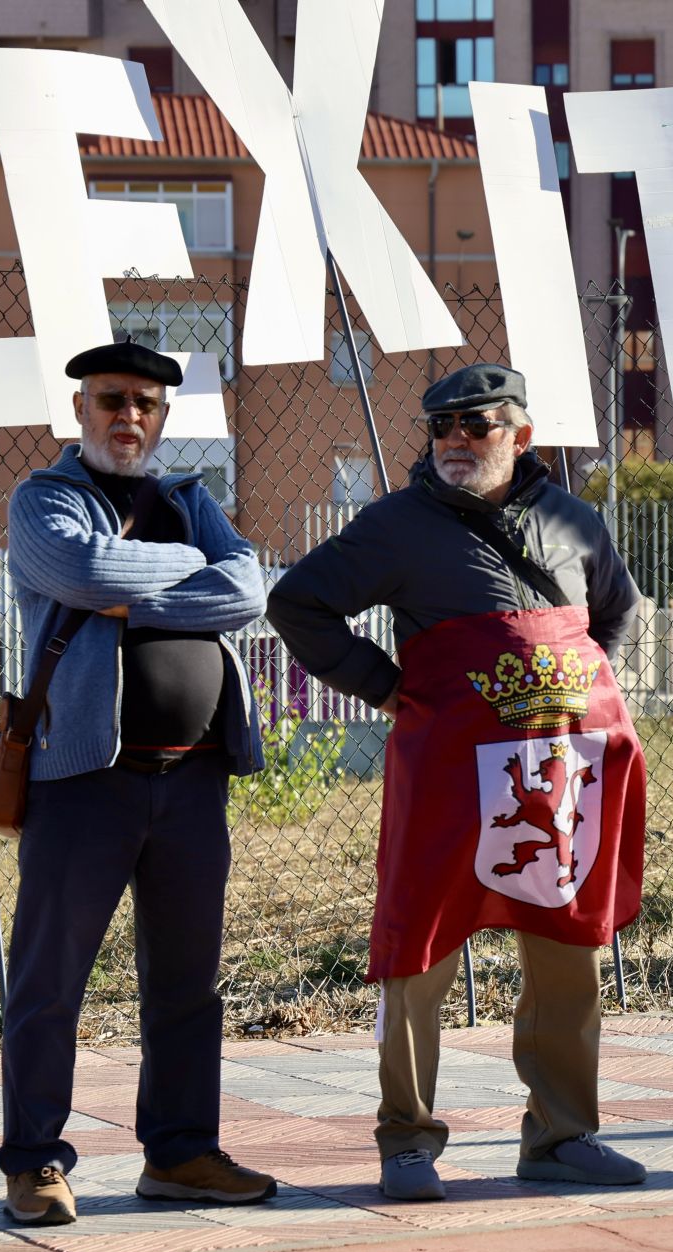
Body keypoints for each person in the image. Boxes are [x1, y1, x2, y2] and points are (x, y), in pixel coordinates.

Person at [268, 363, 648, 1203]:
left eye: (475, 425)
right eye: (440, 427)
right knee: (421, 948)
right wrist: (383, 683)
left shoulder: (574, 523)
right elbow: (298, 603)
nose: (454, 442)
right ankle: (406, 1142)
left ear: (522, 434)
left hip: (553, 775)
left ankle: (561, 1136)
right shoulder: (397, 526)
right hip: (446, 774)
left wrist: (576, 689)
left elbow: (614, 612)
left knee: (566, 950)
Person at [0, 341, 275, 1225]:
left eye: (148, 404)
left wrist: (138, 591)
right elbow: (82, 573)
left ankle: (182, 1154)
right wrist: (185, 573)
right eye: (112, 400)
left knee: (190, 983)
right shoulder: (44, 500)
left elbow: (250, 589)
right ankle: (35, 1163)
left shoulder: (193, 500)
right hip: (85, 778)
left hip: (194, 782)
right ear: (79, 410)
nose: (130, 417)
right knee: (51, 980)